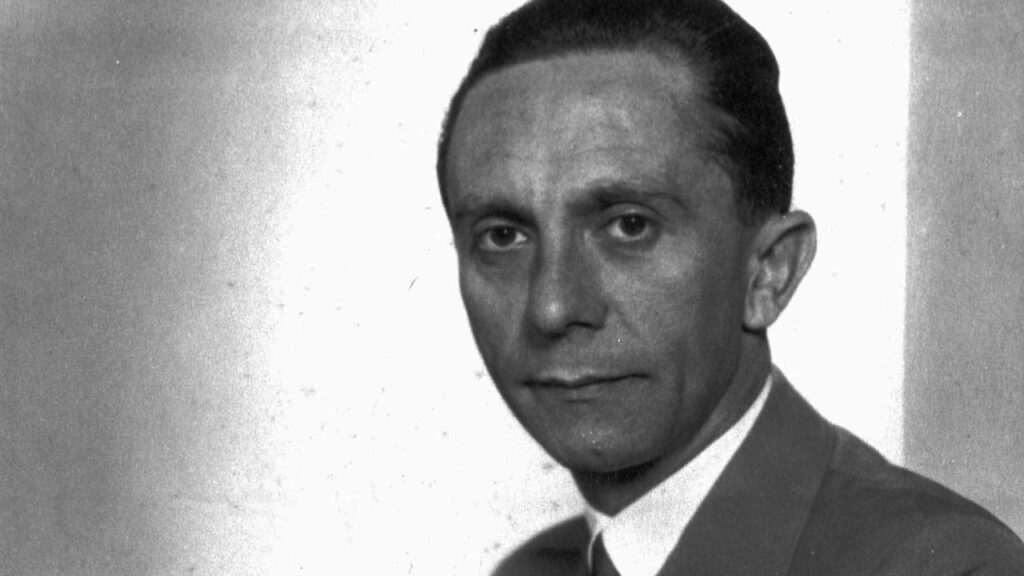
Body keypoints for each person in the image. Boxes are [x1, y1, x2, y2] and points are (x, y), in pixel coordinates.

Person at [435, 0, 1024, 574]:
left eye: (630, 226)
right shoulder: (529, 569)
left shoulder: (944, 565)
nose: (552, 307)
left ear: (769, 271)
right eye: (503, 237)